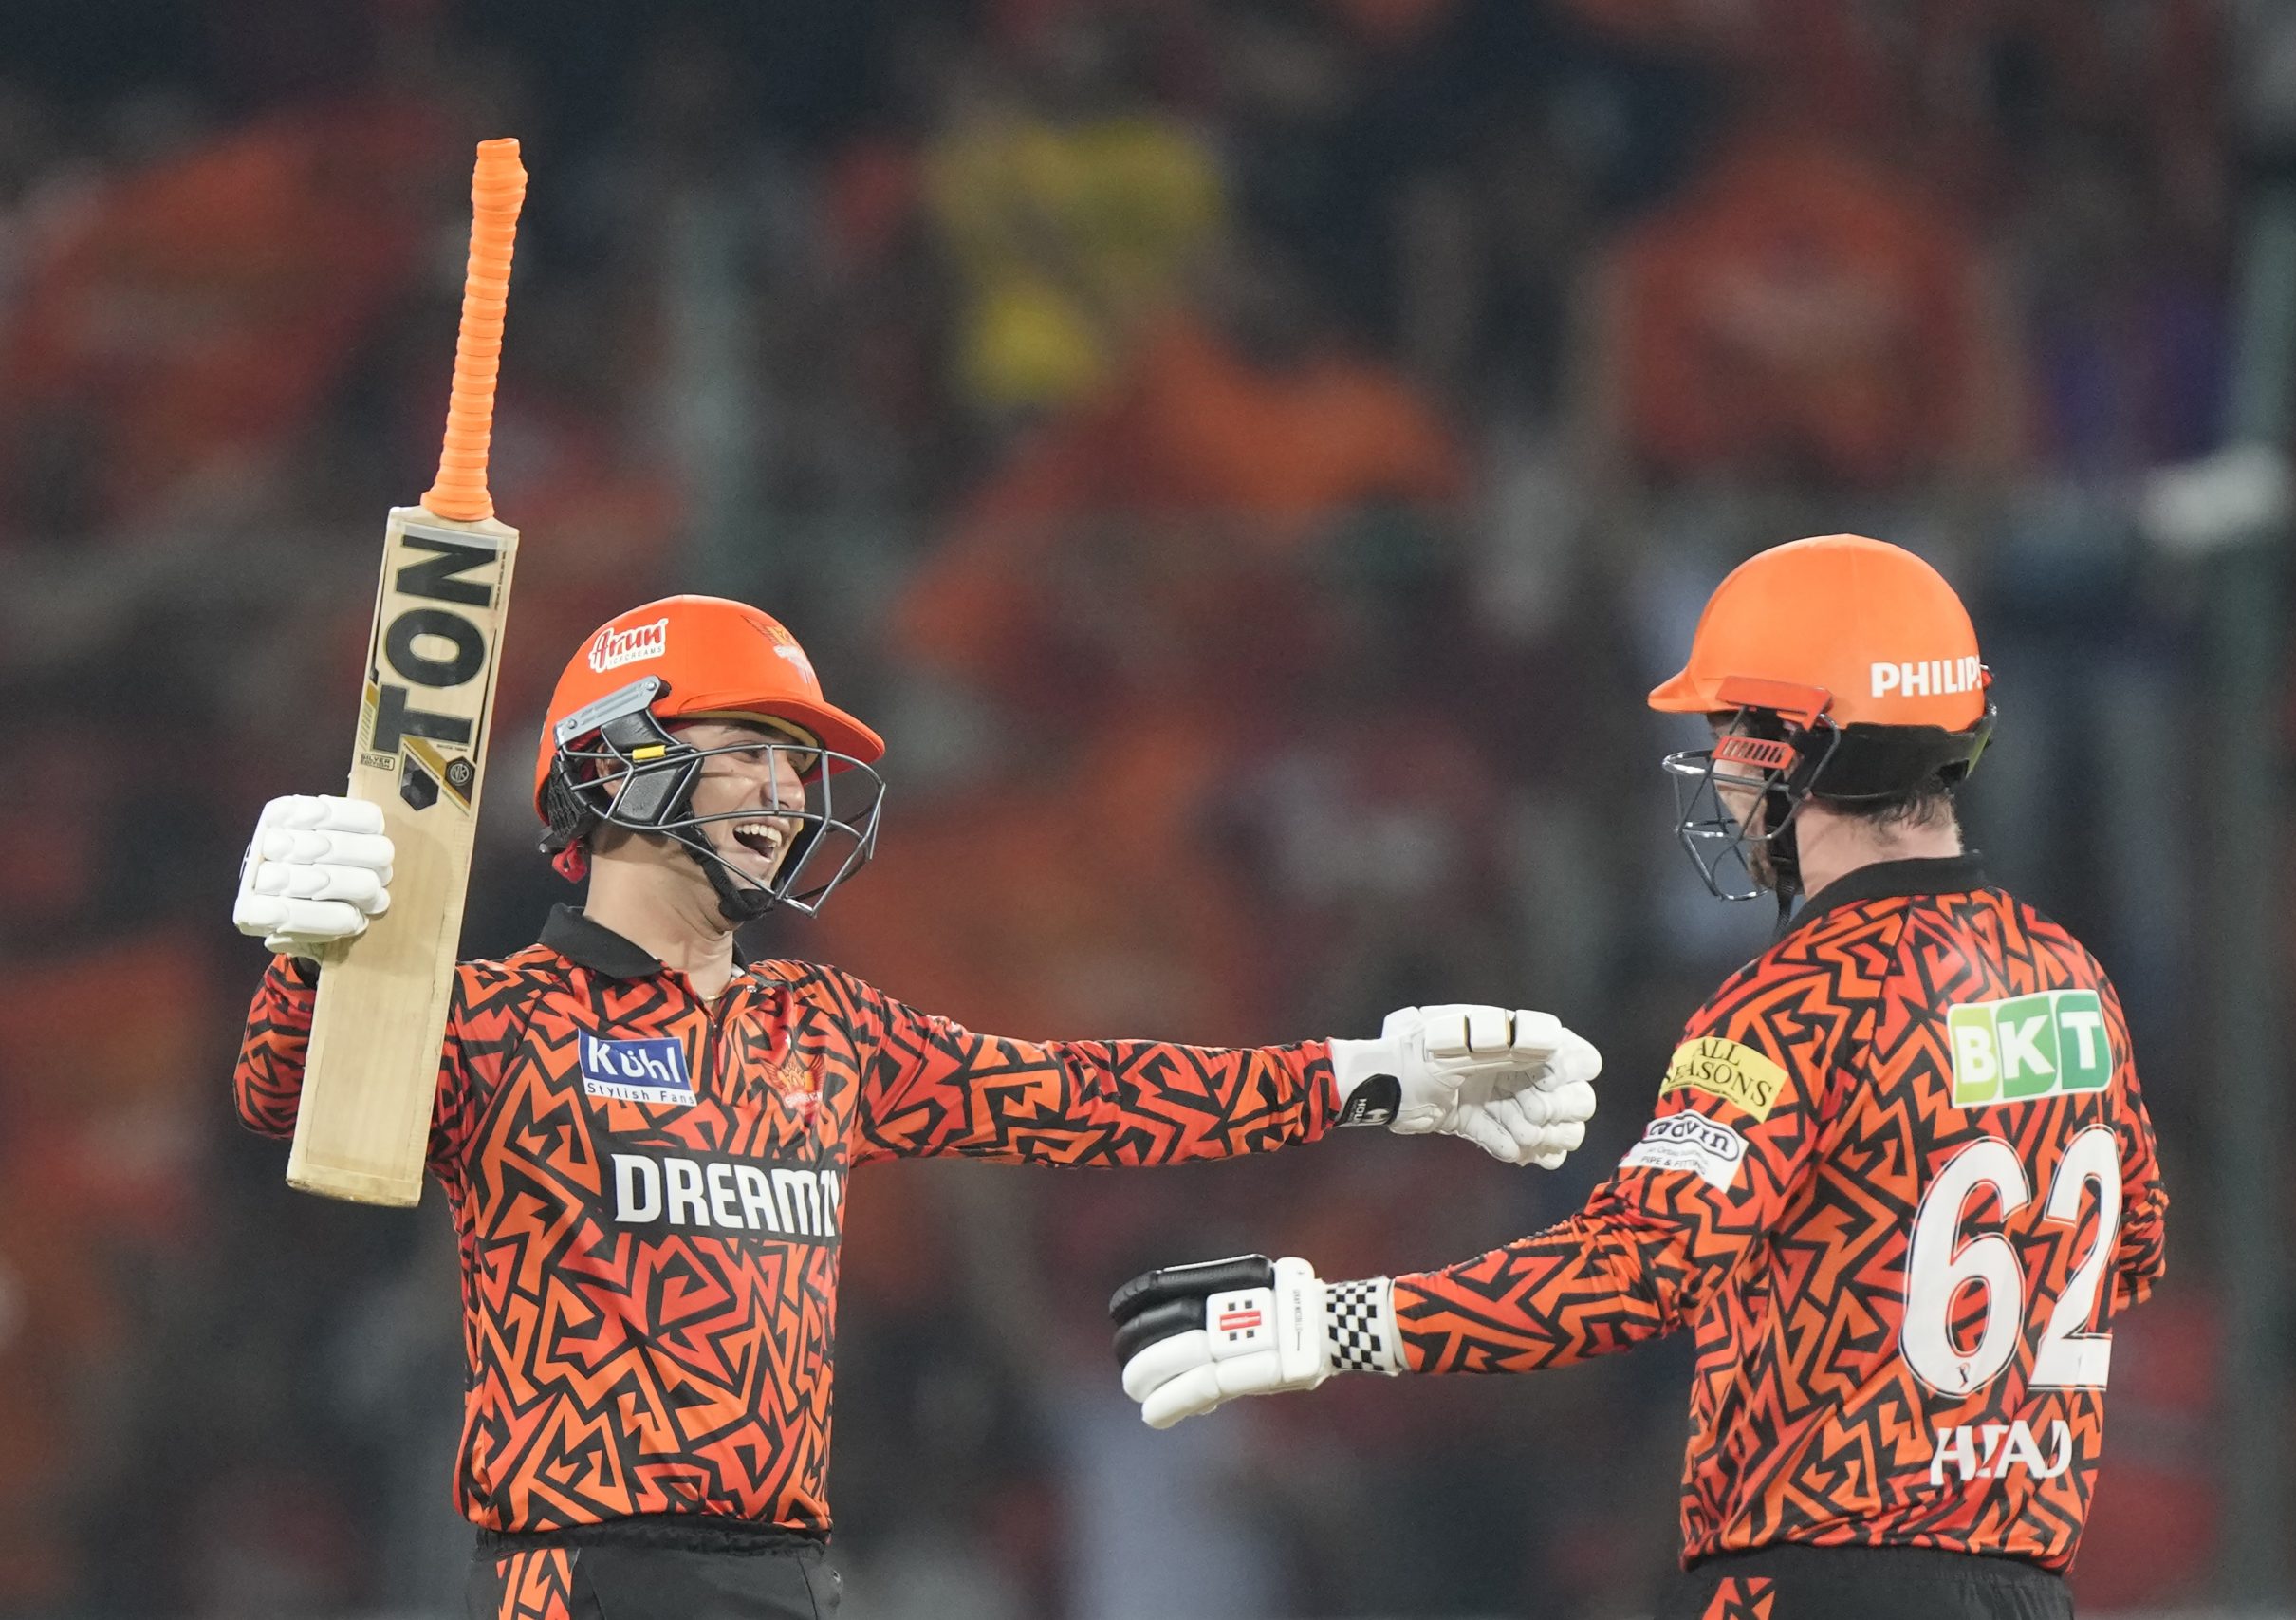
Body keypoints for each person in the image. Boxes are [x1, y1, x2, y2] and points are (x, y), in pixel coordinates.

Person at [230, 594, 1599, 1620]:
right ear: (616, 762)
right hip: (580, 1576)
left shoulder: (822, 1025)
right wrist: (306, 955)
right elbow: (289, 1099)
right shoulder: (498, 1015)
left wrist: (1371, 1074)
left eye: (798, 760)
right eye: (750, 745)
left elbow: (1090, 1096)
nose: (787, 787)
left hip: (797, 1573)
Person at [1112, 536, 2169, 1620]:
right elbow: (2129, 1253)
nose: (1718, 770)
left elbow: (1632, 1272)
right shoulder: (2067, 979)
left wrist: (1322, 1326)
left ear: (1803, 747)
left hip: (1816, 1580)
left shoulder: (1791, 1002)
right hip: (2024, 1582)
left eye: (1733, 734)